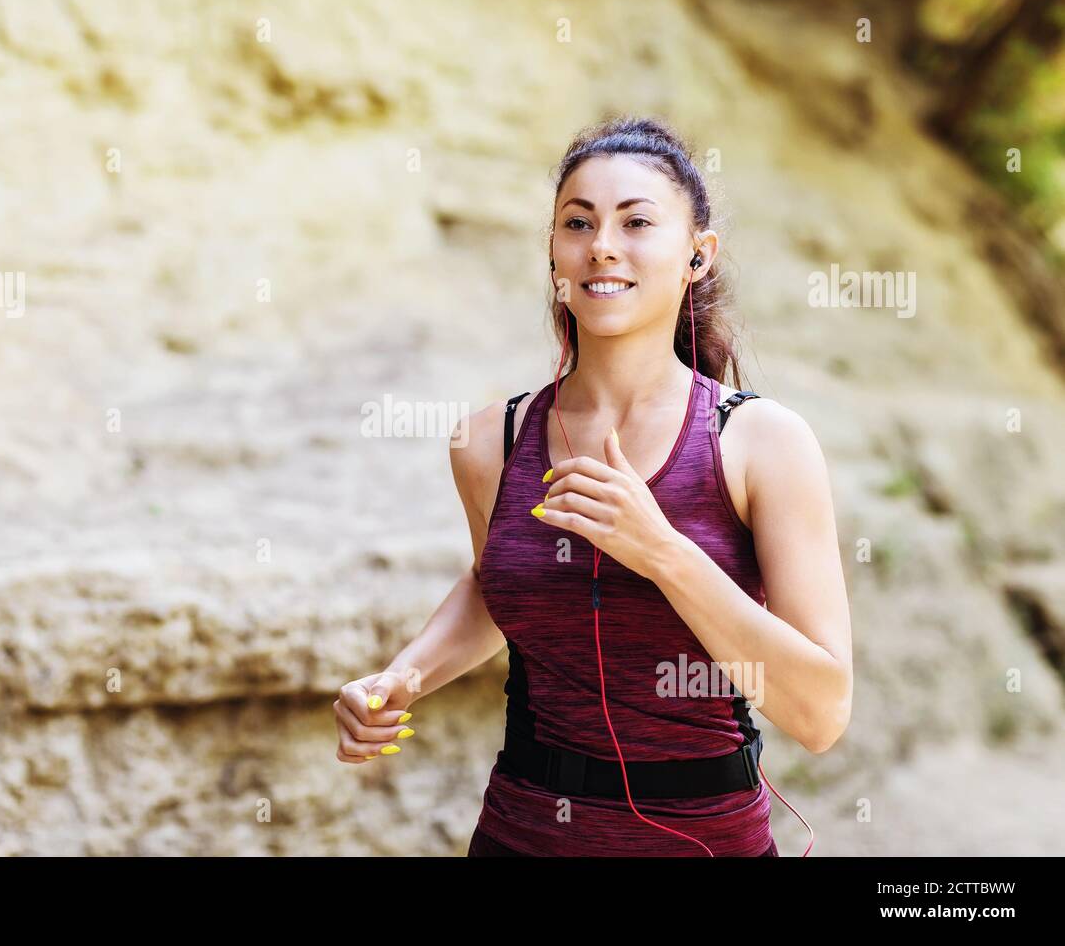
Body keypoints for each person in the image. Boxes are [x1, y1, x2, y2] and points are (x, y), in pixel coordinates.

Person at [334, 115, 852, 856]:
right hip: (522, 834)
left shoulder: (763, 442)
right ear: (554, 254)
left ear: (697, 256)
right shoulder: (489, 442)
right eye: (578, 223)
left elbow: (821, 713)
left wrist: (664, 553)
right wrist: (401, 677)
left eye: (637, 221)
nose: (603, 244)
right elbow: (500, 586)